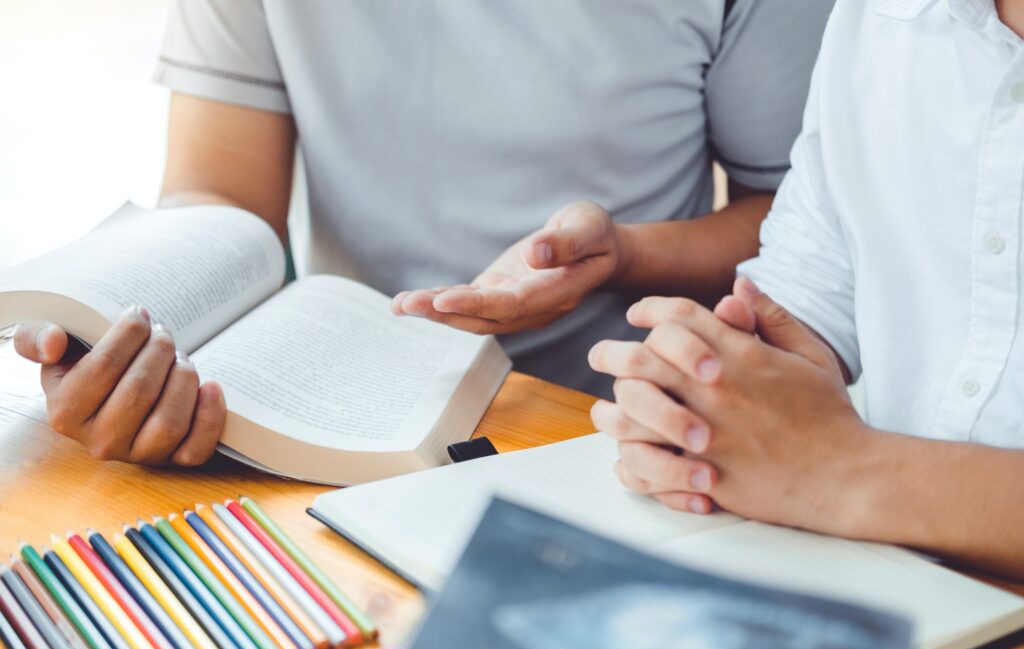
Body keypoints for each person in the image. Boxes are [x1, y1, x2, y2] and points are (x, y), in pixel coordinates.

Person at [11, 1, 833, 467]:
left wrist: (624, 256)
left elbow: (801, 218)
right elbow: (218, 197)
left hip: (614, 427)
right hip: (323, 432)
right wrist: (124, 329)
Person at [589, 0, 1024, 578]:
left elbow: (825, 465)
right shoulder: (872, 17)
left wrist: (840, 470)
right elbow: (808, 283)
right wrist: (714, 397)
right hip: (894, 579)